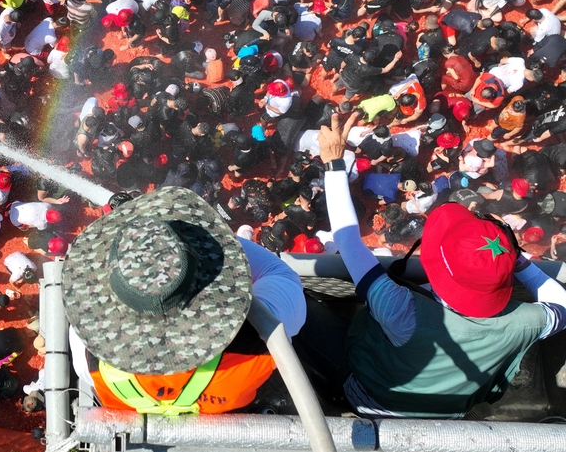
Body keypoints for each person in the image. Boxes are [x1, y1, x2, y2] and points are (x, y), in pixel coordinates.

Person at [294, 113, 566, 418]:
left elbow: (348, 241)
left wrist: (333, 163)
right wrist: (515, 259)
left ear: (436, 260)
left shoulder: (402, 310)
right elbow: (562, 305)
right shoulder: (525, 322)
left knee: (291, 297)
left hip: (369, 396)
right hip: (445, 415)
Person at [64, 184, 304, 414]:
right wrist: (201, 239)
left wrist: (129, 244)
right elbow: (281, 274)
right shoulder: (263, 331)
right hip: (234, 411)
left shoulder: (88, 352)